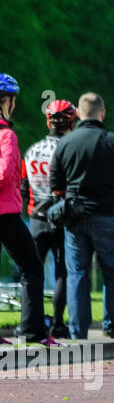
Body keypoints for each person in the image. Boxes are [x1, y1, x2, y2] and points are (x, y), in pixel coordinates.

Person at [50, 92, 114, 341]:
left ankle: (78, 331)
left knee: (77, 274)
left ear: (79, 114)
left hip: (74, 217)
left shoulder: (66, 142)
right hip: (106, 215)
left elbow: (55, 182)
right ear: (103, 113)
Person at [0, 75, 53, 345]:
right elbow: (4, 172)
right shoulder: (7, 135)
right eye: (12, 101)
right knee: (32, 266)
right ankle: (32, 330)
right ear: (6, 103)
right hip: (5, 213)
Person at [20, 98, 78, 339]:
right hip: (62, 217)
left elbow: (23, 186)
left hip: (36, 217)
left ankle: (31, 323)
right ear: (71, 122)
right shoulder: (68, 148)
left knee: (31, 271)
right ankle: (58, 323)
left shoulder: (32, 149)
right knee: (62, 271)